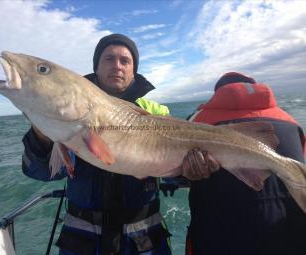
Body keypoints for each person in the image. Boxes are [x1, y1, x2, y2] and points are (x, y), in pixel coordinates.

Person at [21, 33, 206, 255]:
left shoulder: (157, 112)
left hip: (144, 242)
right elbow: (43, 173)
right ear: (96, 67)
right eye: (108, 59)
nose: (117, 66)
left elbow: (171, 175)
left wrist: (189, 172)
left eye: (125, 61)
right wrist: (41, 134)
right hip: (82, 243)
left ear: (133, 70)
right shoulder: (68, 110)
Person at [185, 72, 306, 255]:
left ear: (218, 94)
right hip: (290, 235)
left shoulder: (196, 121)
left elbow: (181, 168)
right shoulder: (292, 122)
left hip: (221, 238)